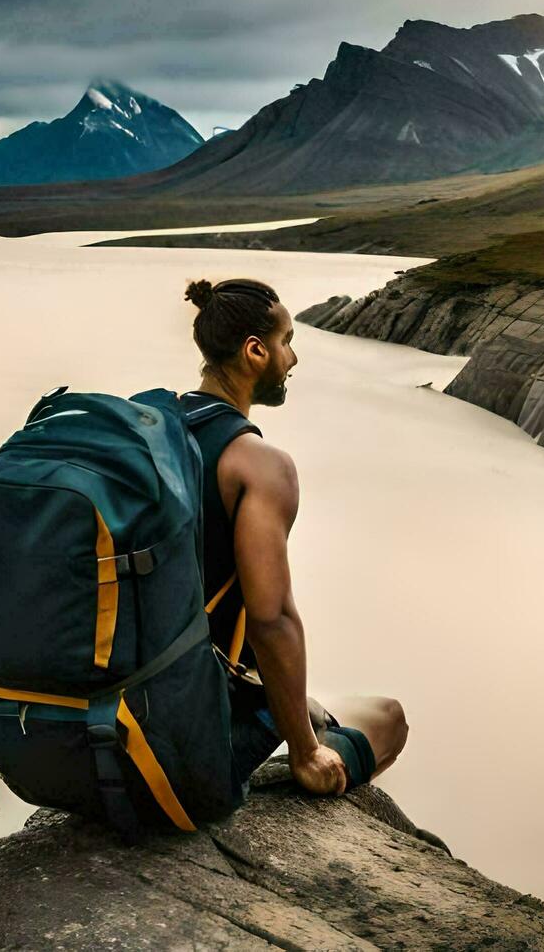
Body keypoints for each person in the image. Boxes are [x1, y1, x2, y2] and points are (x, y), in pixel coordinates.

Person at [179, 277, 408, 799]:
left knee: (305, 703)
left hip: (98, 716)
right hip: (183, 745)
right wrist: (304, 752)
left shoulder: (156, 431)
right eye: (287, 343)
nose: (293, 359)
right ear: (255, 351)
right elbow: (271, 618)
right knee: (387, 719)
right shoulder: (259, 466)